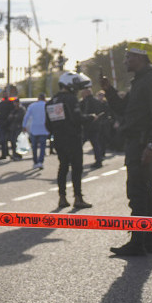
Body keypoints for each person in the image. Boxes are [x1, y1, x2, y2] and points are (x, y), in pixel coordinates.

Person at [102, 47, 152, 256]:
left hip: (143, 144)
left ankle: (138, 242)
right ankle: (148, 242)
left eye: (129, 57)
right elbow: (123, 109)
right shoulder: (139, 82)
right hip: (136, 143)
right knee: (144, 193)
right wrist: (109, 90)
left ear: (141, 58)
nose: (125, 61)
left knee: (138, 193)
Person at [45, 73, 95, 210]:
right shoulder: (71, 99)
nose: (77, 89)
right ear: (69, 84)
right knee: (76, 168)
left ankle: (62, 197)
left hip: (58, 140)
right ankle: (78, 198)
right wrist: (91, 117)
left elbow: (48, 125)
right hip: (73, 138)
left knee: (63, 167)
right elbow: (77, 118)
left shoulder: (51, 101)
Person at [79, 86, 109, 168]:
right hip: (96, 125)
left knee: (80, 144)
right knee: (96, 143)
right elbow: (103, 112)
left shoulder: (85, 102)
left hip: (87, 125)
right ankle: (99, 160)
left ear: (86, 93)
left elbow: (82, 114)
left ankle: (75, 160)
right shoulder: (97, 102)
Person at [0, 85, 24, 160]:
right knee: (3, 140)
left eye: (6, 94)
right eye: (4, 94)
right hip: (2, 124)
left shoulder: (11, 103)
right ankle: (4, 154)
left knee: (12, 140)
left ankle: (14, 154)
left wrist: (11, 118)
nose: (5, 95)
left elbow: (15, 112)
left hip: (10, 125)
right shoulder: (1, 103)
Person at [22, 94, 50, 169]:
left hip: (34, 129)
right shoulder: (47, 105)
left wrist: (24, 126)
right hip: (44, 129)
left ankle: (35, 162)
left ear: (38, 98)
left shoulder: (32, 106)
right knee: (42, 147)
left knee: (34, 147)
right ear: (44, 98)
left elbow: (26, 116)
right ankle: (41, 162)